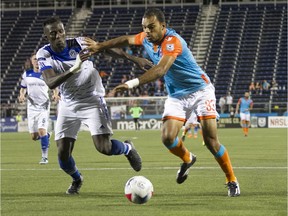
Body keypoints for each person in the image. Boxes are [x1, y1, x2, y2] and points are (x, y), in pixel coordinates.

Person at [84, 8, 240, 197]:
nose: (147, 31)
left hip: (201, 91)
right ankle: (188, 158)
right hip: (176, 95)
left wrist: (131, 83)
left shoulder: (173, 42)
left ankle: (231, 180)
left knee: (211, 141)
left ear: (163, 26)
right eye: (144, 28)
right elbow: (125, 39)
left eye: (151, 27)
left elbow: (160, 70)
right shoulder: (146, 38)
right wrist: (100, 46)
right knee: (167, 138)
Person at [36, 16, 153, 195]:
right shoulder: (44, 54)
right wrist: (74, 68)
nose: (58, 36)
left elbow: (106, 50)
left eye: (60, 31)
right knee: (62, 154)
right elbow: (51, 82)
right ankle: (77, 179)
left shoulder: (80, 42)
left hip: (92, 100)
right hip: (68, 104)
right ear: (47, 36)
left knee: (104, 148)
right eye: (53, 33)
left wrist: (135, 59)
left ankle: (128, 148)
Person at [18, 52, 60, 164]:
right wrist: (22, 95)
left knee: (41, 130)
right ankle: (47, 136)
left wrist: (55, 94)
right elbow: (23, 88)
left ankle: (44, 157)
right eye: (34, 59)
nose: (36, 61)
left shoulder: (46, 74)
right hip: (31, 107)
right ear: (31, 62)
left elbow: (55, 86)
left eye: (38, 59)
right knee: (34, 136)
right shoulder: (26, 74)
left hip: (43, 106)